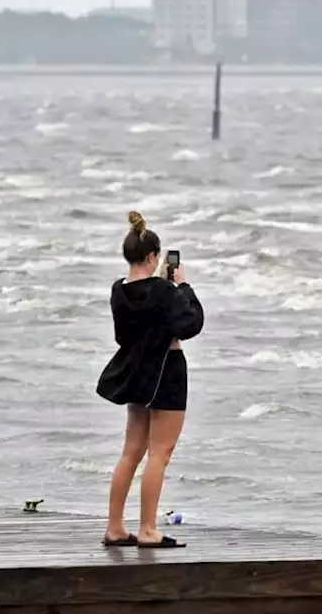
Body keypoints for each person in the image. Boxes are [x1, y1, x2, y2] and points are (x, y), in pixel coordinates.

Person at [96, 211, 205, 549]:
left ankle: (115, 526)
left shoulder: (119, 291)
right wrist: (182, 286)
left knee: (132, 449)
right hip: (167, 370)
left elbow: (123, 335)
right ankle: (147, 529)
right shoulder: (163, 290)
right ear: (154, 257)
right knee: (160, 452)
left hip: (135, 371)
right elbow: (192, 324)